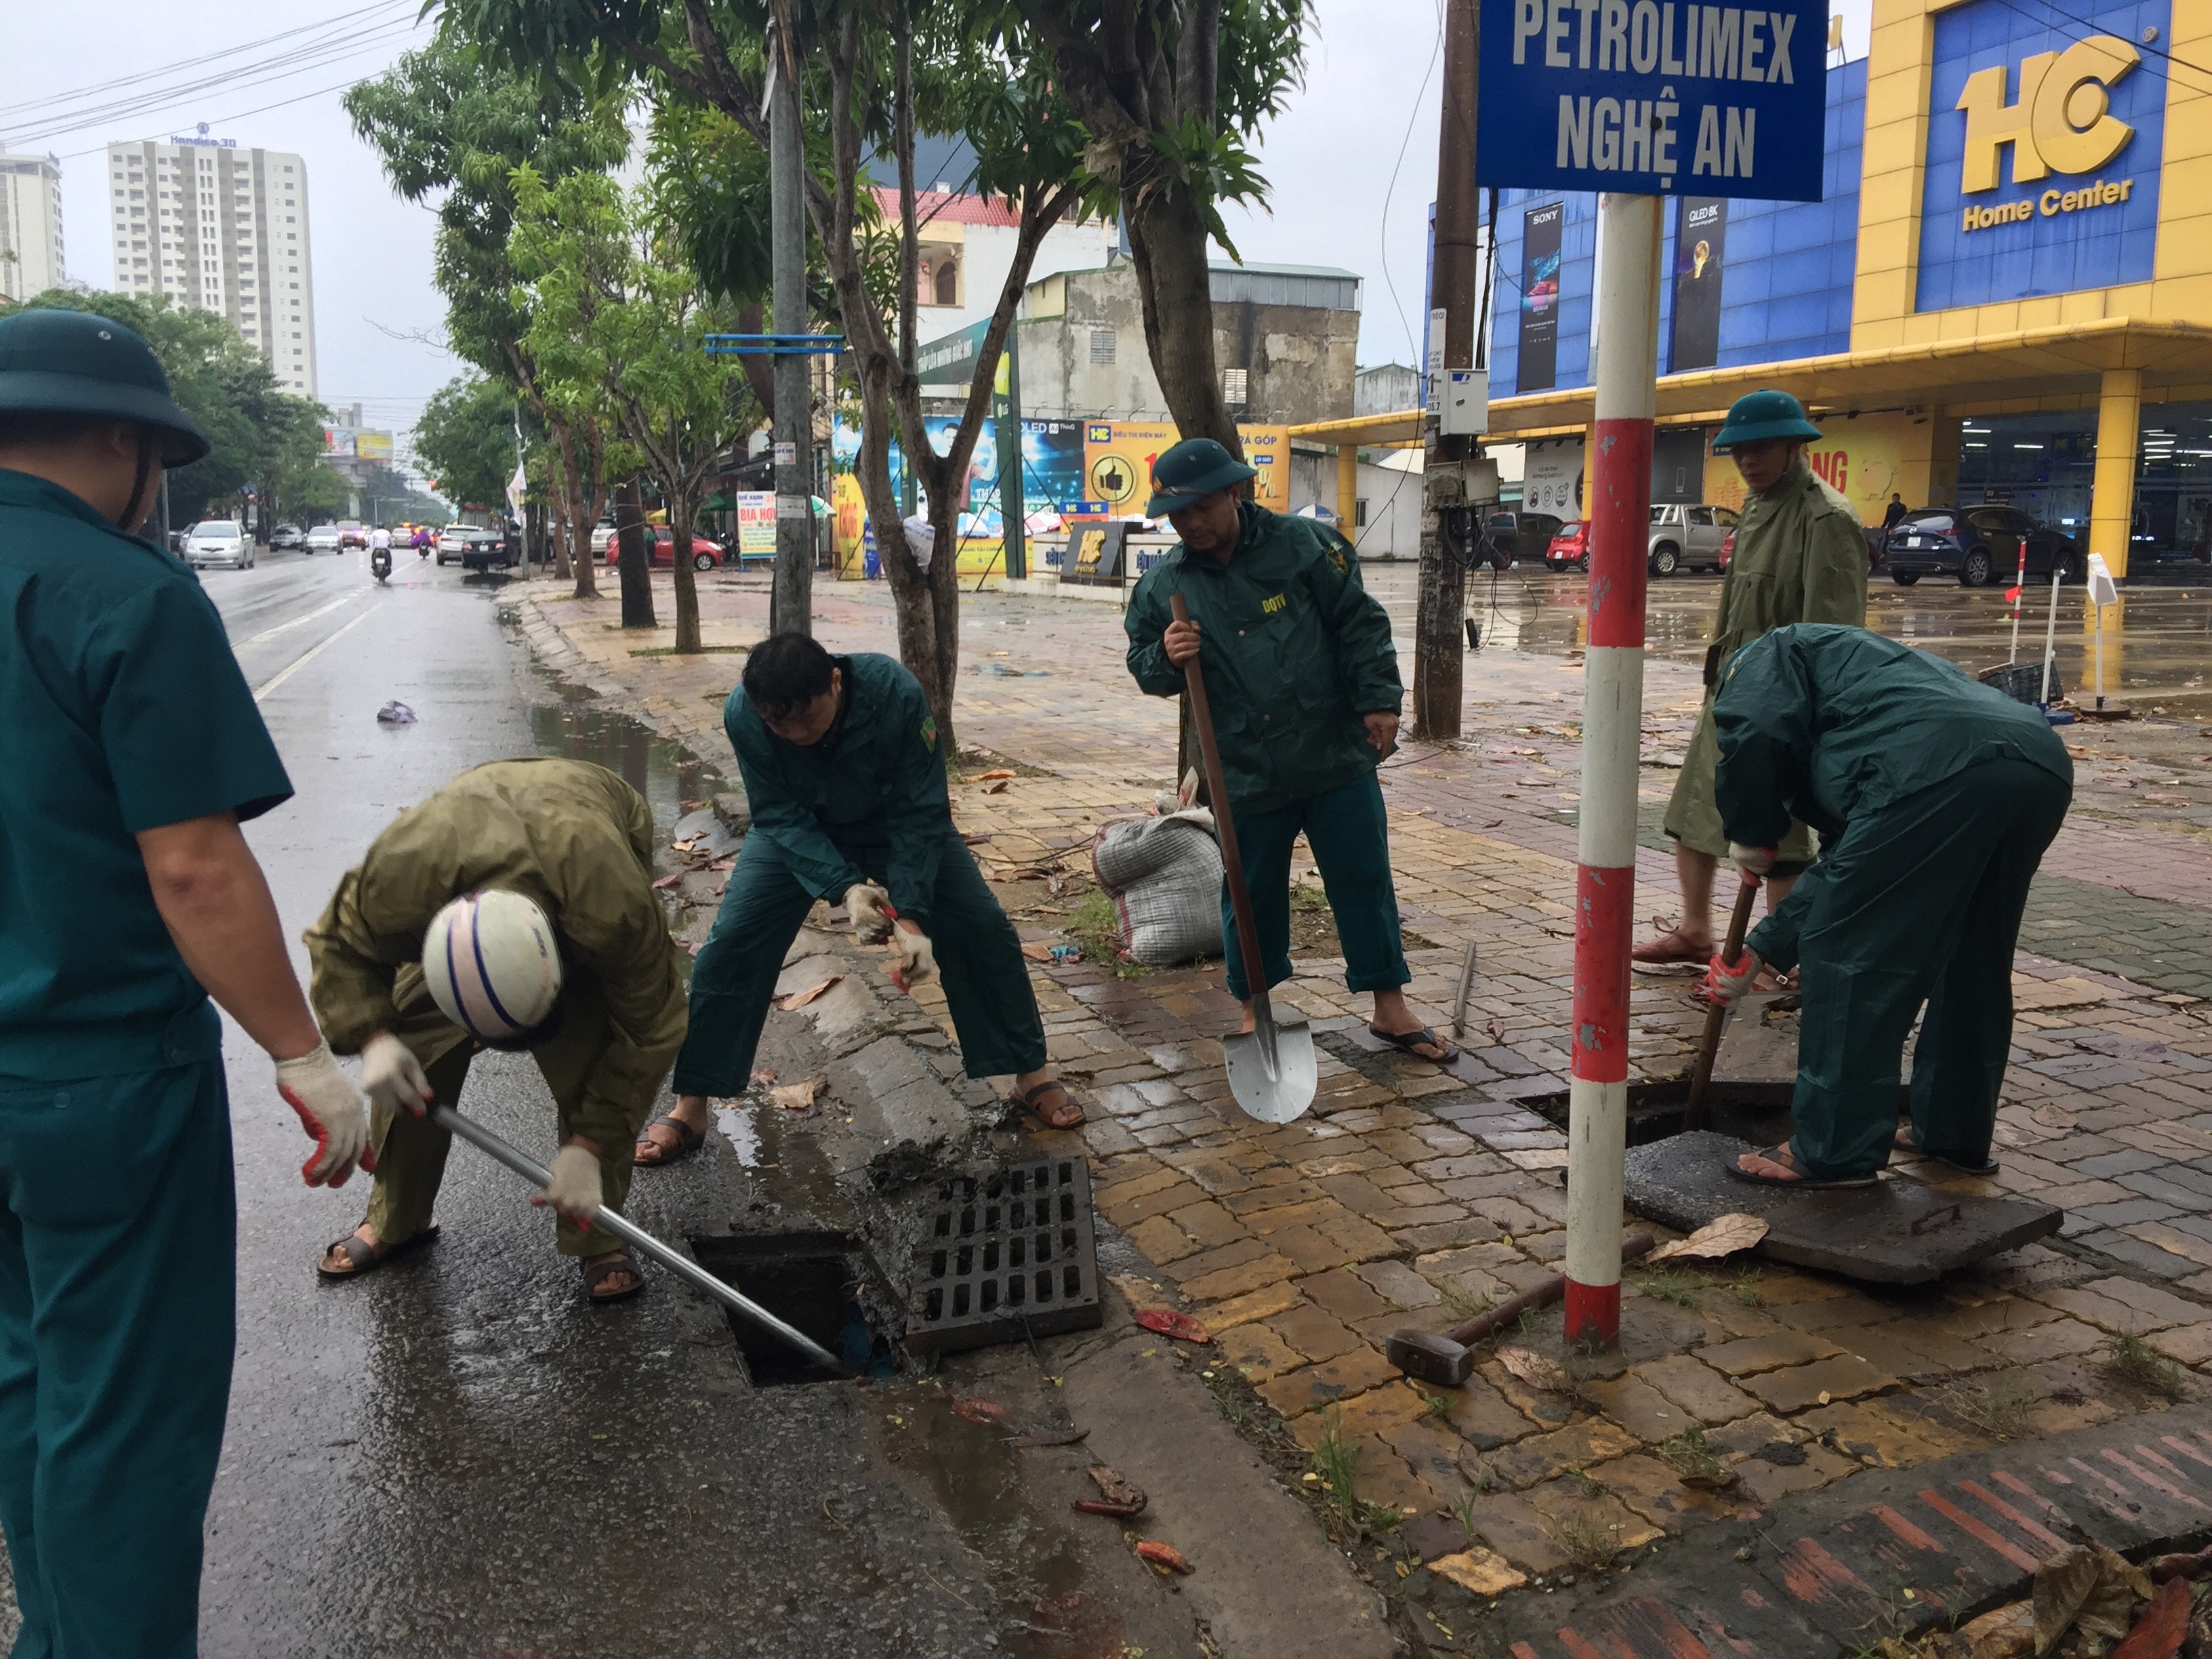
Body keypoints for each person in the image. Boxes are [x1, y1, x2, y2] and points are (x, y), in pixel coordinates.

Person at [0, 307, 371, 1657]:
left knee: (30, 1388)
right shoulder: (127, 595)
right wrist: (302, 1054)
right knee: (125, 1425)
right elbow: (197, 870)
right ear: (124, 443)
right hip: (97, 1088)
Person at [639, 634, 1080, 1164]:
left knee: (982, 927)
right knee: (733, 942)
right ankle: (693, 1103)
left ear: (835, 682)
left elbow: (921, 809)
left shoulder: (894, 693)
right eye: (782, 726)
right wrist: (846, 887)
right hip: (796, 832)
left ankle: (1029, 1074)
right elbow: (776, 813)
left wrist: (911, 918)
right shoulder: (745, 713)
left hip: (895, 823)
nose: (797, 736)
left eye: (808, 720)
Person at [1700, 625, 2072, 1186]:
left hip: (1936, 768)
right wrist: (1764, 947)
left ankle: (1833, 1149)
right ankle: (1953, 1133)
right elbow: (1853, 860)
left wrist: (1752, 832)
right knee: (1971, 951)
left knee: (1848, 953)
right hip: (2036, 758)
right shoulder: (1867, 680)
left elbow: (1751, 730)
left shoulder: (1761, 659)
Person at [1123, 437, 1455, 1063]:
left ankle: (1389, 1006)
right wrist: (1165, 655)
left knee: (1362, 877)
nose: (1190, 523)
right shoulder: (1166, 584)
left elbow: (1359, 622)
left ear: (1233, 492)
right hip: (1242, 769)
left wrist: (1379, 699)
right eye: (1176, 514)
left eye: (1199, 508)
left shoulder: (1304, 546)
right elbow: (1145, 664)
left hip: (1331, 751)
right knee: (1249, 892)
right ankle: (1254, 1008)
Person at [306, 758, 688, 1300]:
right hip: (469, 861)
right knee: (413, 1046)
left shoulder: (612, 908)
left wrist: (588, 1143)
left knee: (595, 1055)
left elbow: (651, 1028)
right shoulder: (404, 873)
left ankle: (599, 1233)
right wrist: (373, 1038)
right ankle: (399, 1218)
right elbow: (339, 942)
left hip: (590, 825)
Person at [1635, 390, 1867, 977]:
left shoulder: (1826, 518)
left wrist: (1812, 716)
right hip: (1732, 690)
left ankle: (1771, 960)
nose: (1749, 461)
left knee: (1778, 840)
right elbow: (1736, 606)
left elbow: (1835, 634)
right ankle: (1694, 931)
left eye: (1761, 449)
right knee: (1694, 812)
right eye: (1739, 452)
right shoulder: (1758, 505)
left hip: (1783, 704)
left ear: (1795, 445)